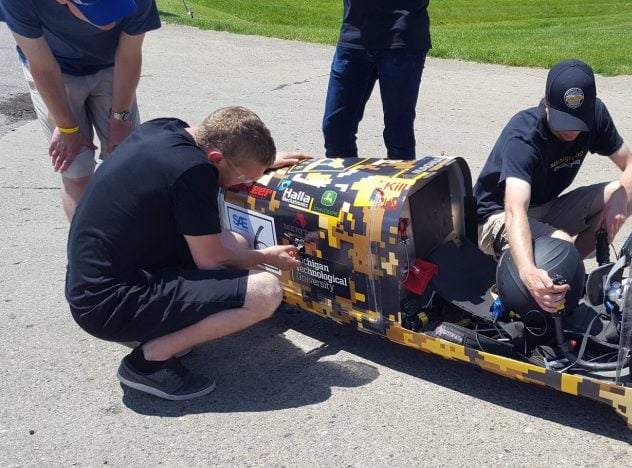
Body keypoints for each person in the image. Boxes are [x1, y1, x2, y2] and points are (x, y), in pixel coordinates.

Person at [65, 107, 310, 401]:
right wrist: (267, 257)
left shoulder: (166, 129)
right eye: (242, 176)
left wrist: (259, 162)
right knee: (265, 292)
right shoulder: (194, 172)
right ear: (216, 159)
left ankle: (156, 330)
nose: (242, 184)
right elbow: (213, 261)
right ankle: (148, 364)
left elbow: (226, 138)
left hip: (100, 280)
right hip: (109, 305)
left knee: (239, 241)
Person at [473, 58, 632, 313]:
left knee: (626, 193)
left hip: (544, 206)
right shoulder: (524, 135)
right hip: (494, 217)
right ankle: (522, 282)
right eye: (564, 121)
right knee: (561, 244)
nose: (572, 131)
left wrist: (622, 198)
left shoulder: (596, 114)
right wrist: (527, 271)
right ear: (546, 103)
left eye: (578, 122)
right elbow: (514, 210)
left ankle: (566, 274)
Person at [0, 0, 161, 221]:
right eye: (100, 8)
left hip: (112, 65)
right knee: (75, 168)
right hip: (54, 68)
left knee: (127, 160)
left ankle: (128, 244)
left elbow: (129, 55)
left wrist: (120, 118)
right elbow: (42, 65)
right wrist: (66, 127)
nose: (112, 19)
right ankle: (88, 250)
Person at [322, 0, 430, 160]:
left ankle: (400, 184)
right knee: (335, 128)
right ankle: (344, 182)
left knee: (398, 132)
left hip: (402, 37)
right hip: (353, 35)